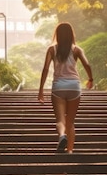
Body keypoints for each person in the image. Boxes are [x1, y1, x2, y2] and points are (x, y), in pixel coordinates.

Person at [38, 22, 93, 153]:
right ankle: (69, 151)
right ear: (71, 35)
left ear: (57, 34)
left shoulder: (52, 49)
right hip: (74, 86)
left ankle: (62, 135)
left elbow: (45, 69)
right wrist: (90, 79)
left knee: (60, 120)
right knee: (70, 122)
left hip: (58, 87)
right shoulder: (77, 50)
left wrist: (40, 91)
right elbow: (87, 65)